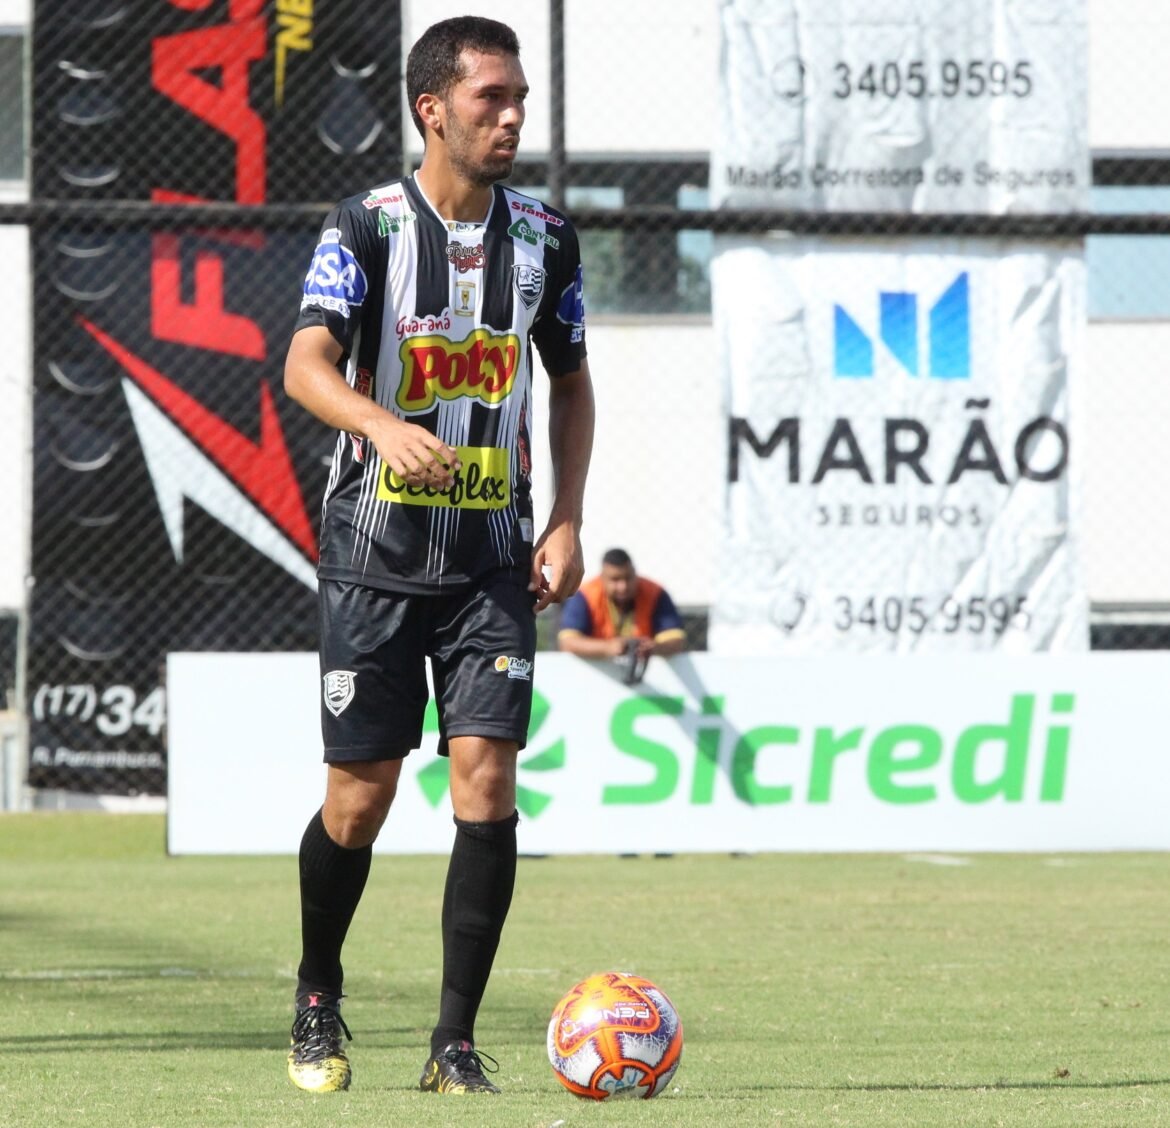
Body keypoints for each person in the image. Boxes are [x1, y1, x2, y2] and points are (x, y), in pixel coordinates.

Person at [281, 15, 594, 1096]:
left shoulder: (546, 236)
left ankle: (453, 1045)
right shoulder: (367, 226)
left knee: (488, 782)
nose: (511, 117)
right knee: (357, 801)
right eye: (489, 98)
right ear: (433, 109)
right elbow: (305, 364)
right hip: (374, 552)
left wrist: (566, 518)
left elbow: (573, 384)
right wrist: (378, 424)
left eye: (519, 99)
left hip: (493, 559)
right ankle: (317, 993)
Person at [557, 548, 687, 680]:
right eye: (615, 579)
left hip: (647, 676)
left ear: (635, 573)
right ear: (602, 578)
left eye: (628, 578)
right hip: (594, 677)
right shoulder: (586, 595)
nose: (623, 586)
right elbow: (568, 642)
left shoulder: (655, 592)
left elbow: (676, 640)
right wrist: (608, 648)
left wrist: (654, 647)